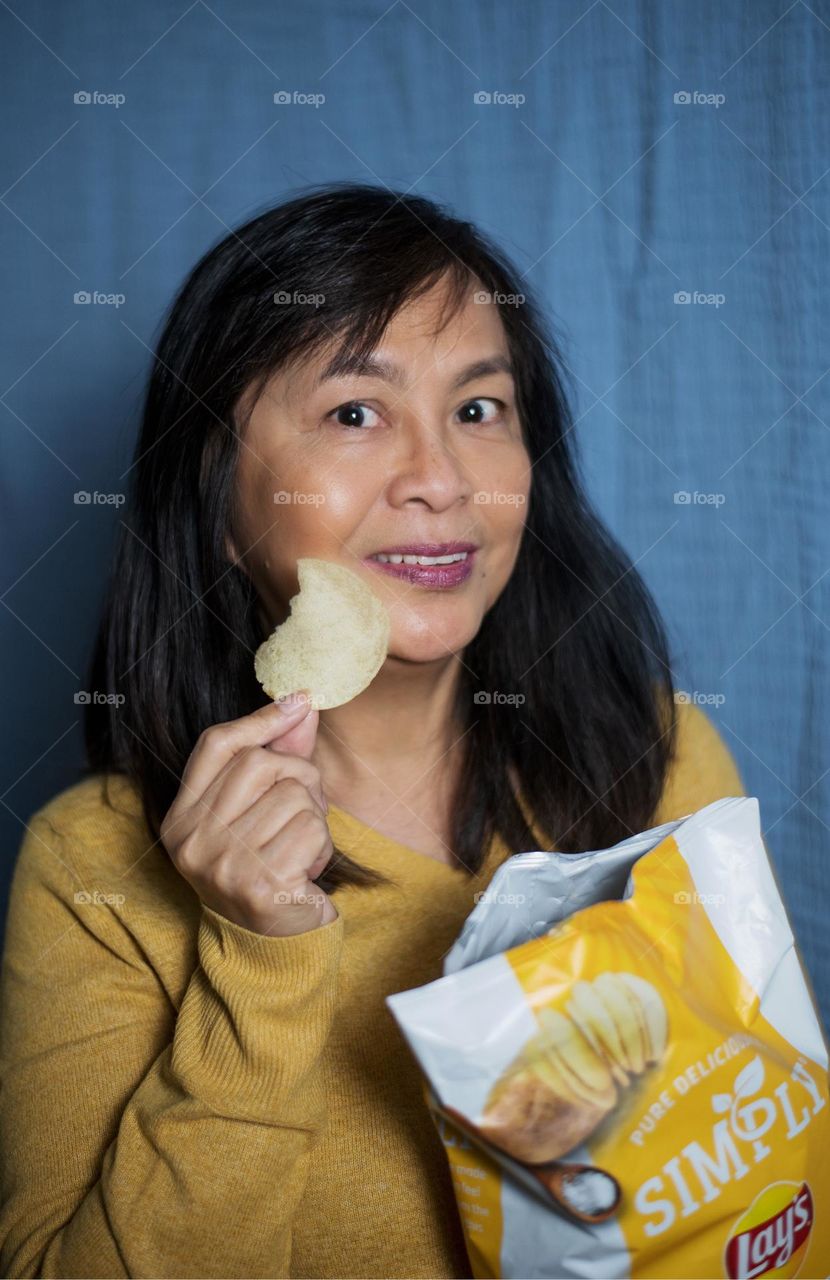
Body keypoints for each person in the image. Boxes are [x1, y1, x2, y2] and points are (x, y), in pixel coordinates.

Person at [0, 181, 744, 1279]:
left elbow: (758, 1182)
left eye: (477, 409)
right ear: (215, 479)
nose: (440, 480)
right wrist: (258, 962)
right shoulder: (94, 869)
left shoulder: (656, 760)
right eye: (354, 411)